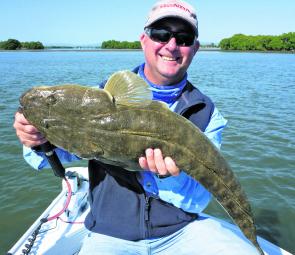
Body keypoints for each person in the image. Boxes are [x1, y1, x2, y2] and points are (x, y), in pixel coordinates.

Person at [14, 0, 260, 254]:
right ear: (143, 39)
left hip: (180, 231)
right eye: (161, 34)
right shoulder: (100, 96)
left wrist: (165, 177)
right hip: (109, 233)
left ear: (195, 48)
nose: (171, 45)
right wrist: (35, 138)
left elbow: (198, 199)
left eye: (184, 38)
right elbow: (47, 158)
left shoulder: (208, 114)